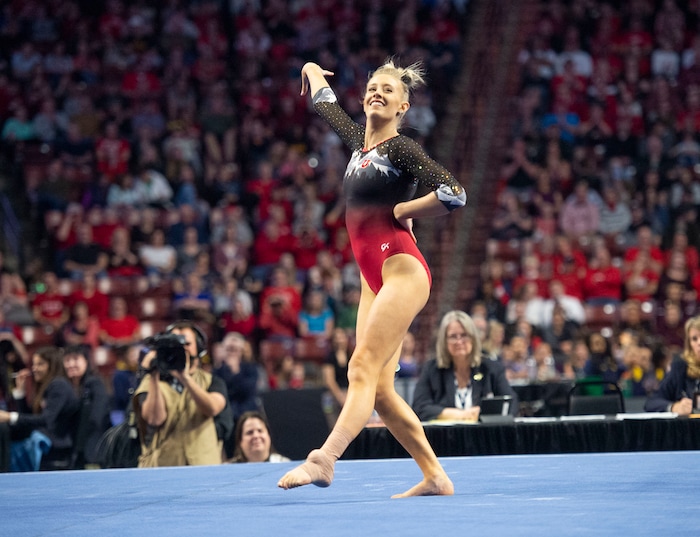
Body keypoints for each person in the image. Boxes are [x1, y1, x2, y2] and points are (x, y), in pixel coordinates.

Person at [277, 60, 465, 497]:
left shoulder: (401, 149)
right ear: (364, 100)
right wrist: (311, 69)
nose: (378, 92)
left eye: (388, 89)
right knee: (378, 389)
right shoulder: (359, 148)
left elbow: (454, 193)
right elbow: (327, 107)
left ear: (403, 106)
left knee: (359, 365)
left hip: (402, 269)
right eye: (372, 88)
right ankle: (435, 476)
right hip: (371, 279)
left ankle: (325, 459)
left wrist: (403, 211)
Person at [133, 321, 230, 467]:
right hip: (163, 468)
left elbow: (212, 408)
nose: (181, 349)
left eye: (186, 343)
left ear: (199, 349)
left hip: (203, 468)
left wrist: (184, 377)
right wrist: (153, 374)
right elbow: (154, 419)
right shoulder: (151, 382)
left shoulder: (212, 381)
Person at [412, 310, 519, 423]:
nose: (459, 341)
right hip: (444, 437)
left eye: (464, 335)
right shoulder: (432, 369)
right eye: (453, 336)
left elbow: (512, 404)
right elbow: (419, 407)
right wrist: (459, 414)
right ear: (444, 341)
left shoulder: (491, 368)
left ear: (473, 338)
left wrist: (484, 413)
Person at [0, 346, 80, 470]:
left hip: (56, 449)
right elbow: (30, 419)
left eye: (40, 364)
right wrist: (20, 393)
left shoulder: (59, 385)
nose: (34, 369)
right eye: (33, 364)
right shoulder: (46, 387)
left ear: (52, 365)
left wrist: (9, 416)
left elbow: (46, 420)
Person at [61, 345, 111, 468]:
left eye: (75, 359)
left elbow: (97, 419)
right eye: (67, 360)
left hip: (93, 453)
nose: (71, 364)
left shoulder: (95, 383)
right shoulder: (66, 387)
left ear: (86, 362)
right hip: (76, 452)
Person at [645, 315, 700, 415]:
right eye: (694, 339)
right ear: (689, 343)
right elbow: (652, 402)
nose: (699, 343)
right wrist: (674, 407)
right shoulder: (680, 368)